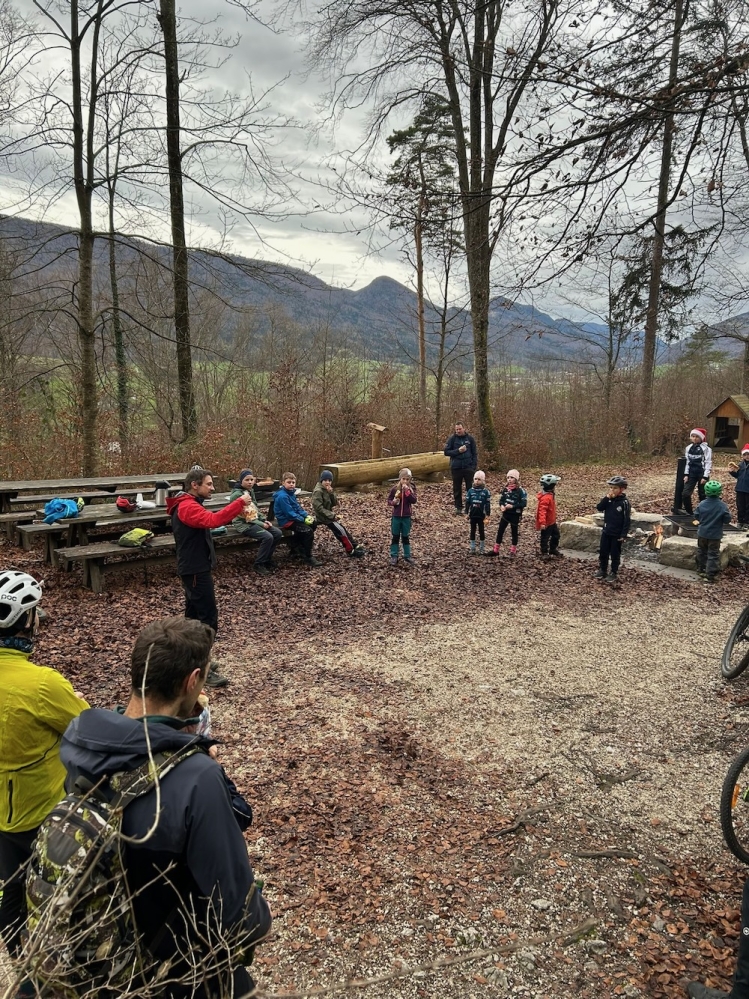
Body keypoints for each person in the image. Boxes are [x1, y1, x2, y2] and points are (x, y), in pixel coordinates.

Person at [58, 616, 272, 999]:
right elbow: (243, 920)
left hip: (103, 962)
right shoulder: (197, 778)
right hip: (174, 972)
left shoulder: (84, 747)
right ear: (193, 681)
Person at [0, 571, 88, 966]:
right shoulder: (41, 684)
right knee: (54, 890)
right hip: (42, 807)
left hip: (3, 814)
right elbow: (86, 726)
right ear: (26, 621)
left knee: (10, 889)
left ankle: (19, 960)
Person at [166, 467, 255, 687]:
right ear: (194, 485)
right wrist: (239, 503)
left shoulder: (189, 503)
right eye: (208, 484)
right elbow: (213, 520)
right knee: (207, 619)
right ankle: (202, 668)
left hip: (194, 568)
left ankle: (191, 663)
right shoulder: (187, 506)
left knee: (192, 618)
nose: (212, 488)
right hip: (195, 569)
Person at [229, 469, 283, 577]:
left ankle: (267, 559)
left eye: (251, 480)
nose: (250, 482)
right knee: (267, 537)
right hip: (243, 523)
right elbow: (247, 516)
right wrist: (262, 524)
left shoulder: (250, 491)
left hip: (253, 520)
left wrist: (263, 519)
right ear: (241, 481)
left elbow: (255, 509)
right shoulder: (237, 495)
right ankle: (259, 564)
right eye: (247, 480)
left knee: (277, 533)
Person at [312, 470, 366, 557]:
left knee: (342, 529)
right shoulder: (318, 491)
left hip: (328, 515)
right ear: (321, 480)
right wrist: (332, 515)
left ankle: (354, 545)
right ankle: (350, 550)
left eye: (329, 480)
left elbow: (334, 503)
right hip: (323, 517)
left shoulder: (326, 490)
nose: (327, 482)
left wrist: (331, 493)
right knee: (340, 531)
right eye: (325, 480)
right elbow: (318, 508)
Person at [273, 472, 322, 567]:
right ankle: (307, 556)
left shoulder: (291, 493)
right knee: (307, 531)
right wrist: (302, 520)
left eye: (293, 482)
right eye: (289, 482)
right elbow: (289, 513)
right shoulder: (283, 496)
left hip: (293, 518)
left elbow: (297, 508)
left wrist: (306, 516)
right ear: (283, 483)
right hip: (286, 521)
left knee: (313, 523)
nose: (291, 484)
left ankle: (297, 546)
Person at [594, 475, 631, 583]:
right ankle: (603, 569)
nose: (612, 490)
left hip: (617, 533)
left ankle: (613, 572)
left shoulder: (624, 502)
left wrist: (623, 534)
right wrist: (606, 498)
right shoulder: (608, 500)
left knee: (615, 554)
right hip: (606, 531)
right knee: (603, 552)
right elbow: (599, 507)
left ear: (621, 489)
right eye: (611, 488)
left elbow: (626, 520)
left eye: (615, 488)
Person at [695, 479, 731, 583]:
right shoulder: (722, 506)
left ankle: (701, 569)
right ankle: (710, 575)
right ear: (720, 492)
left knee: (701, 551)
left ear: (706, 492)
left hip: (702, 533)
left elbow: (696, 515)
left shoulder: (702, 504)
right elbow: (727, 520)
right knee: (713, 554)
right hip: (715, 535)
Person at [444, 422, 478, 515]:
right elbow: (446, 452)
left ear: (464, 429)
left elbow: (474, 453)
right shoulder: (452, 439)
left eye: (459, 429)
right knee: (457, 488)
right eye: (456, 429)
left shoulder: (470, 439)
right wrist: (458, 451)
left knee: (470, 488)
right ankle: (458, 508)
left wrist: (473, 466)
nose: (458, 431)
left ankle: (470, 506)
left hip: (468, 467)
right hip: (456, 467)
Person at [493, 469, 527, 555]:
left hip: (515, 514)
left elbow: (523, 503)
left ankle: (513, 550)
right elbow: (501, 500)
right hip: (506, 514)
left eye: (512, 477)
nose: (509, 479)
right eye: (508, 477)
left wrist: (513, 506)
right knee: (500, 531)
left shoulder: (521, 491)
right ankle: (496, 550)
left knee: (514, 532)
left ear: (516, 479)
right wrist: (501, 506)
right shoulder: (505, 489)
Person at [388, 467, 417, 566]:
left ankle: (407, 555)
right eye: (403, 479)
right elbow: (389, 500)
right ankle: (394, 555)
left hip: (406, 517)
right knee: (395, 536)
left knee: (405, 536)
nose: (405, 481)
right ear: (400, 479)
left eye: (407, 479)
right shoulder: (395, 489)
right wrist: (393, 502)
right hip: (396, 516)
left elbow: (414, 500)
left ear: (410, 480)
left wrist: (407, 492)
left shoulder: (411, 489)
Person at [682, 428, 713, 515]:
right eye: (693, 436)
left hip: (701, 473)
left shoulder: (706, 449)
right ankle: (689, 512)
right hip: (691, 473)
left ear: (701, 438)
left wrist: (705, 476)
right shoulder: (688, 448)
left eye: (697, 437)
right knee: (685, 494)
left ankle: (703, 512)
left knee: (703, 494)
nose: (695, 438)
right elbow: (687, 462)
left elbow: (708, 462)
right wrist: (686, 474)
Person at [464, 470, 491, 554]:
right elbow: (467, 503)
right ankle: (472, 548)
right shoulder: (470, 491)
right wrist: (466, 513)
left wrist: (488, 514)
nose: (477, 481)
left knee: (481, 531)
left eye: (479, 479)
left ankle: (482, 548)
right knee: (472, 531)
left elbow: (487, 504)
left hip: (481, 515)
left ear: (483, 480)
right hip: (473, 515)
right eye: (475, 479)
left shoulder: (486, 492)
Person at [535, 473, 562, 558]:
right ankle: (544, 552)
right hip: (546, 523)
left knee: (556, 535)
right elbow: (542, 511)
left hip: (552, 521)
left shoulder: (550, 494)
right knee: (545, 538)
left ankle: (552, 549)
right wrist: (542, 523)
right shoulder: (546, 498)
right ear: (552, 486)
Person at [729, 445, 749, 529]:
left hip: (748, 489)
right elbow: (738, 475)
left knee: (748, 507)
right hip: (740, 488)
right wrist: (732, 472)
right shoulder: (740, 465)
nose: (747, 456)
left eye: (748, 454)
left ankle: (747, 522)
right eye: (745, 454)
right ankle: (740, 521)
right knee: (740, 506)